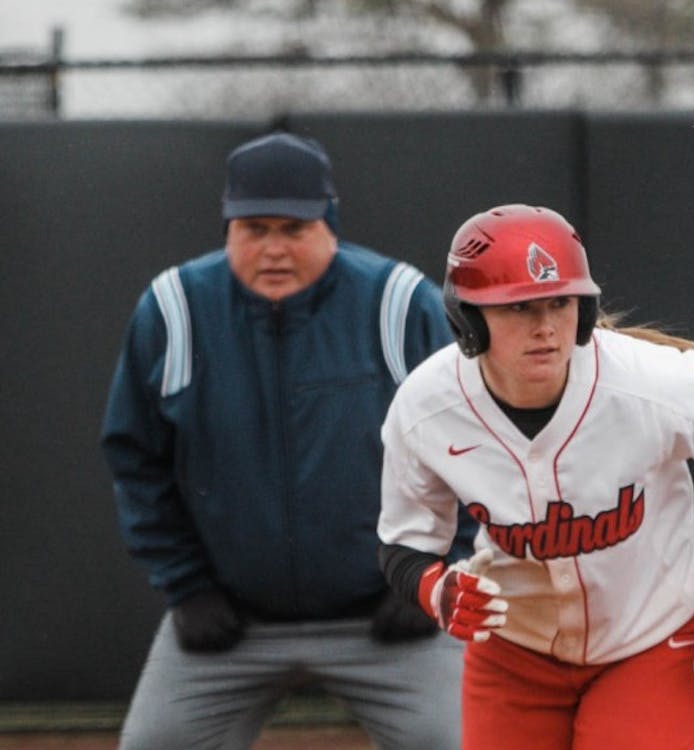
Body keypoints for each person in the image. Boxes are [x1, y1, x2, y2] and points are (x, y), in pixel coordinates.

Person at [377, 204, 694, 749]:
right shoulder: (426, 406)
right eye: (518, 306)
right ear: (468, 319)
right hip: (513, 653)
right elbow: (404, 543)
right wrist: (436, 591)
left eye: (560, 302)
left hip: (656, 637)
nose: (544, 327)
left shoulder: (649, 382)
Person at [101, 131, 476, 750]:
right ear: (228, 228)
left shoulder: (397, 302)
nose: (273, 249)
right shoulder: (174, 310)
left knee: (463, 742)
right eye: (254, 229)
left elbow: (471, 444)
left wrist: (438, 571)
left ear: (328, 223)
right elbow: (137, 458)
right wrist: (186, 586)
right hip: (235, 619)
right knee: (153, 744)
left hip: (386, 613)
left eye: (292, 229)